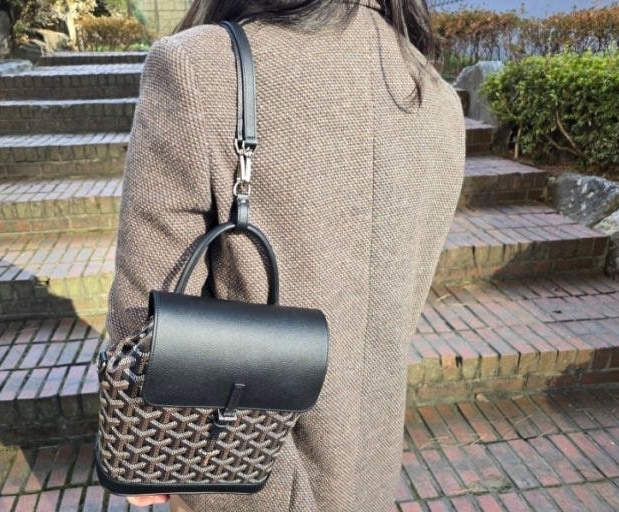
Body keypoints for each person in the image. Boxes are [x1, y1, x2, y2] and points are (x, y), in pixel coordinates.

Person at [106, 0, 465, 510]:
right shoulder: (435, 97)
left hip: (234, 463)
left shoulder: (198, 66)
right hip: (371, 463)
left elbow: (147, 312)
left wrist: (142, 447)